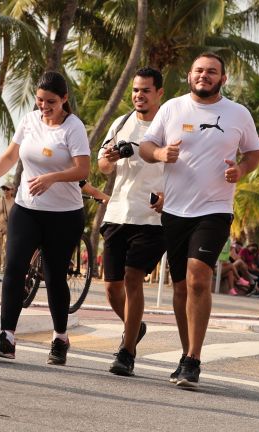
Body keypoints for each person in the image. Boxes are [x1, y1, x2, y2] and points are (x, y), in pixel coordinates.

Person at [140, 52, 259, 387]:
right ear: (189, 75)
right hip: (175, 210)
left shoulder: (238, 113)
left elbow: (254, 152)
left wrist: (243, 169)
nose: (204, 75)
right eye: (198, 70)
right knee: (180, 287)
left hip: (214, 209)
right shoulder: (172, 108)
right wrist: (161, 153)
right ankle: (185, 354)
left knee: (197, 278)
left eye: (211, 71)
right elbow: (145, 146)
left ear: (222, 78)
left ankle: (194, 358)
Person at [0, 71, 90, 365]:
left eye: (50, 101)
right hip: (27, 208)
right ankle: (7, 337)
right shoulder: (29, 120)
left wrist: (53, 178)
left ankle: (60, 337)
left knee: (55, 277)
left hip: (64, 215)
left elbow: (82, 170)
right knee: (13, 269)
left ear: (64, 99)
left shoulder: (73, 127)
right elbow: (11, 156)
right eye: (39, 100)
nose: (44, 106)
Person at [97, 67, 166, 376]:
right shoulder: (121, 123)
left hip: (151, 217)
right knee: (112, 288)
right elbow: (101, 166)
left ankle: (127, 352)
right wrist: (108, 160)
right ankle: (134, 326)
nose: (139, 95)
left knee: (132, 279)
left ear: (159, 93)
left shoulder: (168, 126)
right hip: (117, 212)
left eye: (146, 90)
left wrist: (169, 195)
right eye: (136, 90)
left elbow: (183, 166)